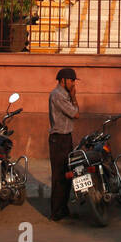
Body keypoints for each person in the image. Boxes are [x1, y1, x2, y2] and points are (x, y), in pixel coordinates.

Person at [48, 67, 79, 221]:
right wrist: (74, 97)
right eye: (72, 80)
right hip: (58, 139)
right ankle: (56, 212)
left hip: (66, 137)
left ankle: (63, 208)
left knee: (68, 174)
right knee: (59, 176)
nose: (73, 83)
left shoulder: (64, 94)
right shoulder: (58, 95)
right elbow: (75, 113)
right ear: (63, 80)